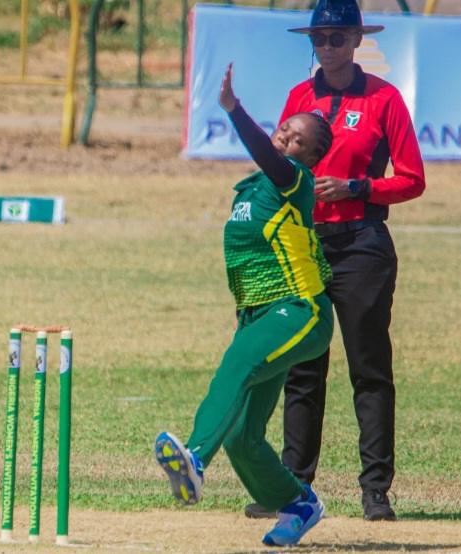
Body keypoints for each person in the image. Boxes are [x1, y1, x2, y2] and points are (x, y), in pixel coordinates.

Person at [244, 0, 426, 522]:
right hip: (306, 245)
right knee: (302, 367)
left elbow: (412, 179)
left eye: (338, 38)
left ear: (356, 40)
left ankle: (376, 491)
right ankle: (294, 487)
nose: (328, 47)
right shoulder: (300, 96)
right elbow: (279, 164)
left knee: (369, 368)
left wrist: (357, 187)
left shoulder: (383, 98)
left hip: (362, 244)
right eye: (319, 39)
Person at [154, 63, 335, 547]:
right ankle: (298, 503)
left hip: (301, 311)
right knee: (243, 436)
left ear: (312, 157)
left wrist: (234, 110)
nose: (284, 139)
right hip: (259, 314)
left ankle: (193, 458)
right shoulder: (251, 188)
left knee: (236, 363)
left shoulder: (295, 180)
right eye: (284, 130)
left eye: (297, 139)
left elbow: (268, 155)